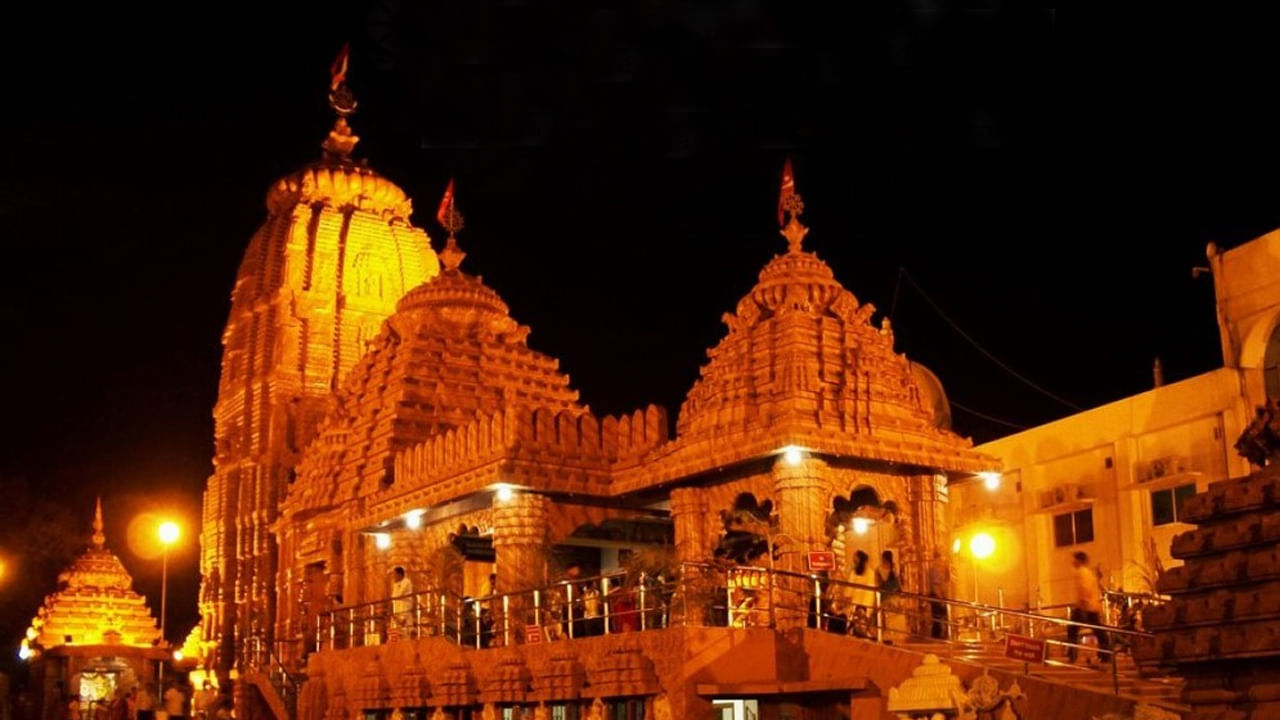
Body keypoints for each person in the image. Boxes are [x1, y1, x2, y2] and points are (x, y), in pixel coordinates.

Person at [1067, 551, 1109, 662]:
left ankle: (1072, 653)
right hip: (1091, 606)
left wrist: (1081, 604)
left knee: (1072, 629)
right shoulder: (1088, 573)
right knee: (1097, 629)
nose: (1073, 562)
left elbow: (1085, 589)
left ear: (1079, 561)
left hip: (1085, 606)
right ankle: (1105, 653)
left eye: (1074, 559)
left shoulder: (1082, 572)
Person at [876, 550, 905, 643]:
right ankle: (896, 637)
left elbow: (878, 584)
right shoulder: (895, 568)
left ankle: (887, 637)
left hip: (885, 597)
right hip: (895, 597)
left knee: (886, 618)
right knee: (895, 618)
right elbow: (898, 582)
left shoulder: (879, 569)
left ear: (883, 558)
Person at [928, 549, 951, 639]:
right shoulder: (935, 570)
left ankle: (943, 633)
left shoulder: (942, 569)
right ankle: (937, 635)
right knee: (938, 616)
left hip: (942, 595)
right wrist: (940, 597)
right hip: (937, 596)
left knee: (942, 616)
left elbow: (946, 582)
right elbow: (935, 584)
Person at [390, 566, 414, 633]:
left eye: (394, 574)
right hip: (397, 609)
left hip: (405, 608)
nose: (393, 576)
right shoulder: (395, 584)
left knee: (406, 630)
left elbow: (399, 594)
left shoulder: (406, 582)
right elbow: (393, 596)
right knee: (397, 630)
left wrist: (395, 596)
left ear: (399, 574)